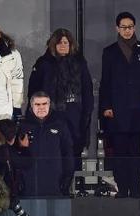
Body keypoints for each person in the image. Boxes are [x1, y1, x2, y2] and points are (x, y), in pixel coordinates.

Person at [99, 12, 140, 198]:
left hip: (139, 109)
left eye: (130, 26)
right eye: (124, 27)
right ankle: (123, 189)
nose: (127, 30)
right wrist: (106, 106)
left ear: (135, 28)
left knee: (136, 152)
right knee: (121, 153)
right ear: (117, 28)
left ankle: (136, 190)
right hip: (117, 111)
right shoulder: (110, 51)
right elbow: (105, 81)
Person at [28, 28, 93, 170]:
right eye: (59, 42)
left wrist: (87, 114)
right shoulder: (43, 63)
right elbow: (33, 92)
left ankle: (73, 187)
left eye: (66, 42)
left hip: (75, 115)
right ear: (53, 45)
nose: (63, 45)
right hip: (51, 115)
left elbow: (87, 90)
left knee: (74, 149)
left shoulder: (80, 63)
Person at [19, 91, 74, 197]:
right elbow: (16, 156)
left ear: (49, 105)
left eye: (44, 104)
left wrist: (68, 178)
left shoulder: (60, 124)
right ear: (31, 106)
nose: (41, 107)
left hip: (55, 184)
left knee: (56, 213)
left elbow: (68, 153)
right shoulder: (23, 126)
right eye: (37, 104)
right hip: (30, 186)